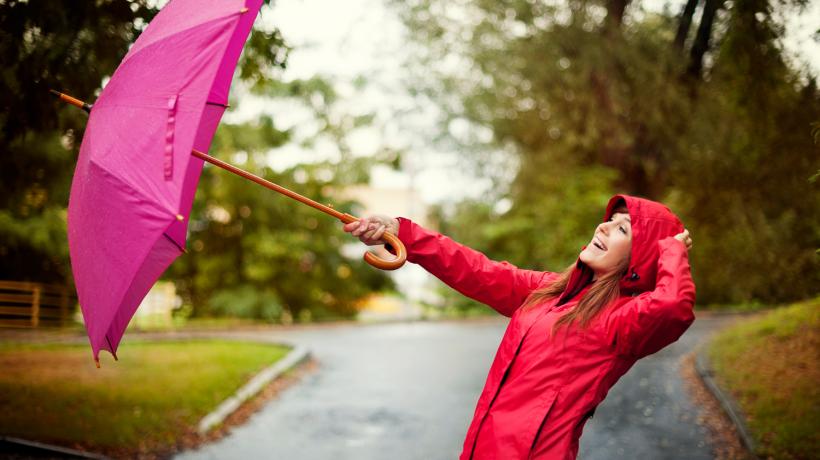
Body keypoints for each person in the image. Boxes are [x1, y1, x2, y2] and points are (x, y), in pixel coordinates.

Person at [343, 194, 695, 460]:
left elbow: (672, 307)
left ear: (641, 258)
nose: (603, 226)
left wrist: (670, 251)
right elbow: (476, 270)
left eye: (623, 229)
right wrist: (403, 232)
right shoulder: (549, 291)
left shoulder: (624, 320)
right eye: (610, 220)